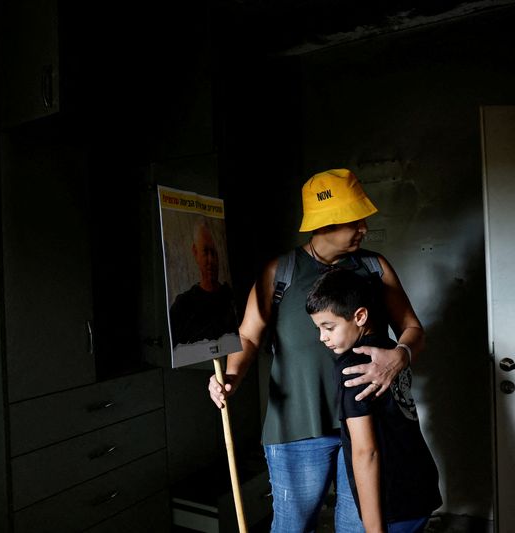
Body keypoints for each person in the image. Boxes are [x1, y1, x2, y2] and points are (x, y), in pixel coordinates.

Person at [208, 168, 424, 532]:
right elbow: (248, 337)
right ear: (325, 224)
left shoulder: (374, 268)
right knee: (294, 526)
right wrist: (231, 377)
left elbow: (413, 329)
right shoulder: (281, 272)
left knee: (359, 526)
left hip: (364, 426)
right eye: (354, 221)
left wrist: (400, 356)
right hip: (297, 427)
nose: (364, 229)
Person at [305, 268, 441, 533]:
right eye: (318, 328)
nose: (322, 337)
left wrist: (374, 530)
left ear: (360, 316)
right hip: (420, 484)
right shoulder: (390, 351)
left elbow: (365, 451)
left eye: (328, 327)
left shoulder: (351, 367)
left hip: (393, 499)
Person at [169, 216, 238, 346]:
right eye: (205, 252)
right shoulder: (182, 306)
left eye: (214, 253)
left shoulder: (230, 298)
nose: (210, 260)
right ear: (195, 252)